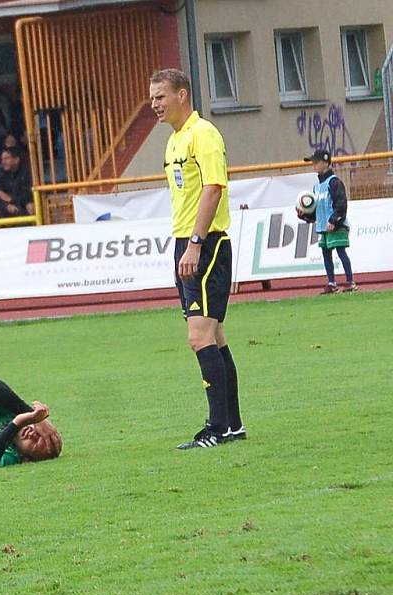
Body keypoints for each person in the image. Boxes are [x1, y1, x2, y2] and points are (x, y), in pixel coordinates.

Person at [149, 68, 244, 449]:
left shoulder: (202, 134)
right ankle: (232, 425)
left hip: (205, 244)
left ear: (182, 95)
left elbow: (213, 189)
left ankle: (217, 427)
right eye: (152, 97)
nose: (154, 104)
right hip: (187, 242)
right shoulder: (175, 140)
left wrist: (195, 242)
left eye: (160, 96)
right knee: (215, 336)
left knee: (199, 336)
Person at [298, 149, 358, 294]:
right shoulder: (316, 186)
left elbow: (341, 204)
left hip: (336, 226)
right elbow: (316, 211)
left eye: (316, 162)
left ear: (326, 162)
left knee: (341, 251)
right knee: (326, 255)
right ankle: (331, 283)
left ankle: (350, 281)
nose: (314, 165)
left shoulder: (334, 182)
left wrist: (334, 220)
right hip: (323, 227)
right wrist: (305, 215)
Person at [0, 145, 33, 219]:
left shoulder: (26, 172)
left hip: (22, 205)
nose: (3, 162)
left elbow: (29, 195)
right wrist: (7, 206)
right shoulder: (0, 173)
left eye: (6, 158)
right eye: (2, 159)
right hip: (6, 206)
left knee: (31, 207)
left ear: (16, 160)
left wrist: (11, 199)